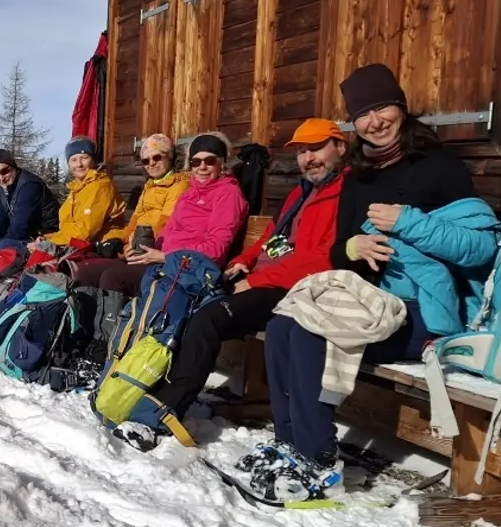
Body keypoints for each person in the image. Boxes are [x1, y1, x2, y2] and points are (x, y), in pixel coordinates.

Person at [246, 63, 501, 502]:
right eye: (363, 113)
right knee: (286, 321)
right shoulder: (361, 176)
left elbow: (481, 250)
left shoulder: (439, 167)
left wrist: (409, 223)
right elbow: (346, 244)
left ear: (401, 107)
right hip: (371, 297)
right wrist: (355, 248)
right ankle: (291, 445)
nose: (374, 120)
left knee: (313, 330)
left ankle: (317, 460)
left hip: (429, 309)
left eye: (382, 107)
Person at [144, 119, 349, 427]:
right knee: (187, 300)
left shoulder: (346, 194)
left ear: (341, 147)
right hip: (264, 278)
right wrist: (242, 262)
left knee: (205, 318)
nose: (309, 158)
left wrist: (254, 280)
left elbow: (322, 259)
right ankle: (149, 382)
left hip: (293, 288)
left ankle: (166, 410)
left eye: (316, 149)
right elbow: (270, 238)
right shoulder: (301, 192)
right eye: (302, 151)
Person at [73, 132, 247, 298]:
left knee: (114, 277)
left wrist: (164, 256)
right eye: (195, 162)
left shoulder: (228, 194)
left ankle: (112, 327)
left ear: (222, 162)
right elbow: (166, 230)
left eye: (209, 161)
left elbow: (215, 249)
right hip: (162, 260)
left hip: (188, 269)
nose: (202, 167)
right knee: (87, 271)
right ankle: (83, 326)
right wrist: (141, 250)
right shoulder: (189, 193)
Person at [31, 136, 127, 250]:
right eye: (73, 160)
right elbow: (67, 230)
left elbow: (83, 233)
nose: (79, 164)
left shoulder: (101, 186)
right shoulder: (76, 189)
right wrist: (46, 238)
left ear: (94, 160)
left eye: (84, 157)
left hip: (103, 246)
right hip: (79, 245)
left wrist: (50, 241)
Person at [0, 148, 60, 259]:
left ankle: (6, 272)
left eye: (5, 171)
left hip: (46, 237)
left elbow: (20, 227)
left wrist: (4, 238)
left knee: (5, 244)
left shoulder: (29, 186)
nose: (1, 178)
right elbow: (2, 220)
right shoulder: (5, 188)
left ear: (13, 167)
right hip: (29, 234)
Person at [102, 133, 190, 250]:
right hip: (136, 240)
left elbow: (164, 225)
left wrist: (131, 246)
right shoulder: (150, 186)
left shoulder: (178, 185)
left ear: (169, 157)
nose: (151, 163)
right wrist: (116, 240)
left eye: (157, 157)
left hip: (151, 245)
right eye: (146, 161)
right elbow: (132, 224)